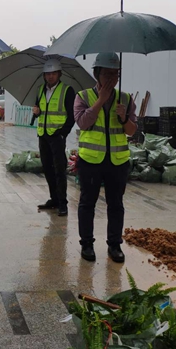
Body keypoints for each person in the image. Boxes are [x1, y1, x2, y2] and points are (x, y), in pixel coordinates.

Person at [74, 52, 137, 263]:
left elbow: (131, 131)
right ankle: (87, 244)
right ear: (96, 74)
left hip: (117, 162)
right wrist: (100, 101)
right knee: (87, 204)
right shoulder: (83, 96)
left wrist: (124, 117)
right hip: (91, 160)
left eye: (116, 74)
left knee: (116, 204)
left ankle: (114, 245)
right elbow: (82, 123)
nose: (112, 78)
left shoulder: (126, 99)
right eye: (107, 74)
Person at [33, 59, 75, 217]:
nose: (50, 77)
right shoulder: (40, 90)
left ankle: (63, 203)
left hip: (57, 136)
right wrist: (36, 113)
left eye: (53, 73)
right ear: (44, 75)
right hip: (43, 135)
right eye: (47, 74)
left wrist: (63, 133)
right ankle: (54, 199)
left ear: (59, 74)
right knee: (47, 168)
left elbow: (72, 116)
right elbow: (40, 111)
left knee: (59, 170)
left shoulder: (67, 90)